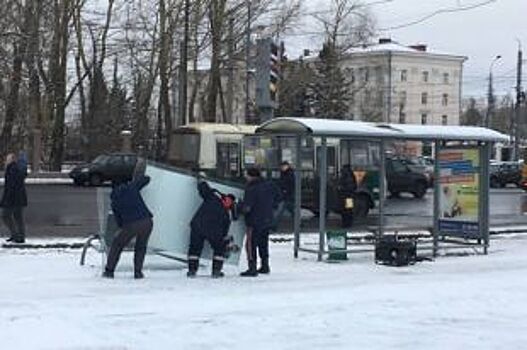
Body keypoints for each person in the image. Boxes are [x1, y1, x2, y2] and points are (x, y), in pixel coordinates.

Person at [103, 160, 153, 279]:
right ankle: (138, 272)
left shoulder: (114, 201)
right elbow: (147, 179)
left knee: (117, 244)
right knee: (141, 247)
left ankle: (109, 271)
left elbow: (118, 220)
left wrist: (122, 229)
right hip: (147, 221)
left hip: (131, 225)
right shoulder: (132, 187)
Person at [187, 181, 238, 278]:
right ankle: (216, 271)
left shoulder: (212, 197)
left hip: (198, 226)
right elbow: (224, 233)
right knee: (219, 249)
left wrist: (201, 180)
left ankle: (192, 271)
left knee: (194, 248)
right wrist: (226, 244)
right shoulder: (227, 215)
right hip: (214, 231)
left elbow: (203, 188)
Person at [240, 168, 280, 277]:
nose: (245, 177)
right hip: (267, 219)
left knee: (251, 244)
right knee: (263, 243)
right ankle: (265, 265)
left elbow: (247, 207)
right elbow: (279, 197)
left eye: (246, 175)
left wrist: (239, 208)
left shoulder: (251, 188)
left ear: (251, 176)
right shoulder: (270, 185)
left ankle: (252, 268)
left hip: (253, 221)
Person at [1, 153, 28, 243]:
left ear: (12, 159)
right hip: (19, 197)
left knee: (6, 216)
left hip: (13, 198)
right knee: (18, 217)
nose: (6, 160)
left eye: (7, 159)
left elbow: (10, 186)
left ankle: (16, 235)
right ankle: (19, 236)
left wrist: (5, 200)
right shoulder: (16, 168)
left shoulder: (11, 169)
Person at [273, 161, 295, 231]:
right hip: (288, 195)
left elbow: (287, 184)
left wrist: (284, 190)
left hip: (286, 195)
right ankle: (299, 223)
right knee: (291, 210)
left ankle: (274, 225)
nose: (281, 168)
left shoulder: (288, 174)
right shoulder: (287, 173)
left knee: (279, 211)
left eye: (282, 166)